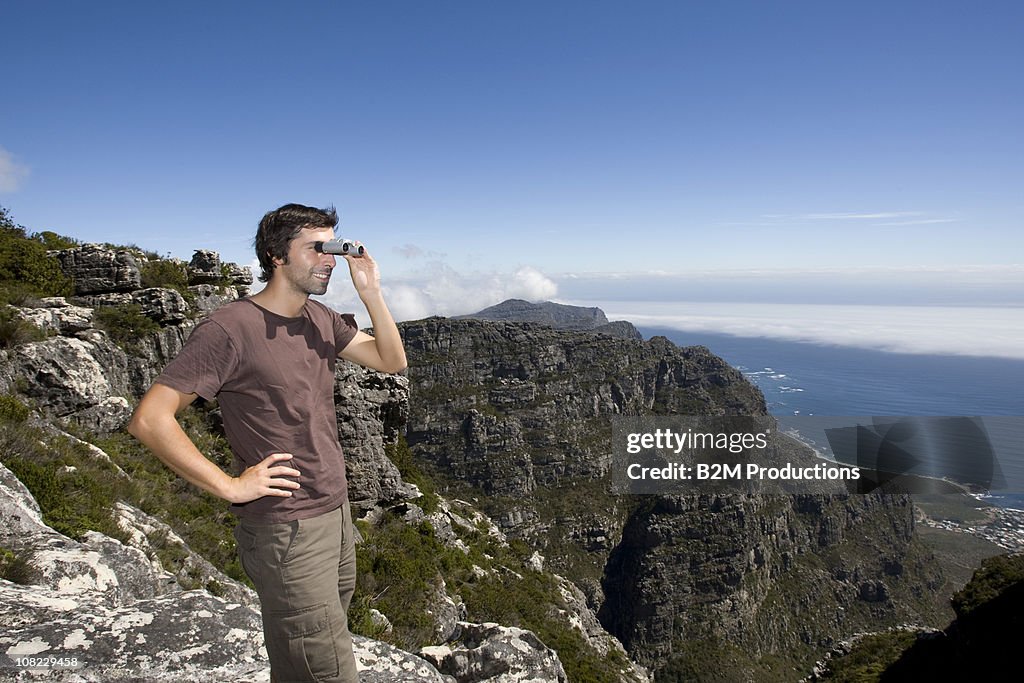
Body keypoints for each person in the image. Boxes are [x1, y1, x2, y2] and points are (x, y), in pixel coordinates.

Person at [127, 203, 407, 682]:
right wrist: (230, 486)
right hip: (286, 528)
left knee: (304, 659)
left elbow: (390, 361)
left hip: (334, 514)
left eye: (332, 248)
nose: (329, 260)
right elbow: (151, 419)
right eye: (316, 249)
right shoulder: (230, 328)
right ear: (277, 256)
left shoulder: (319, 318)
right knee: (327, 670)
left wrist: (372, 294)